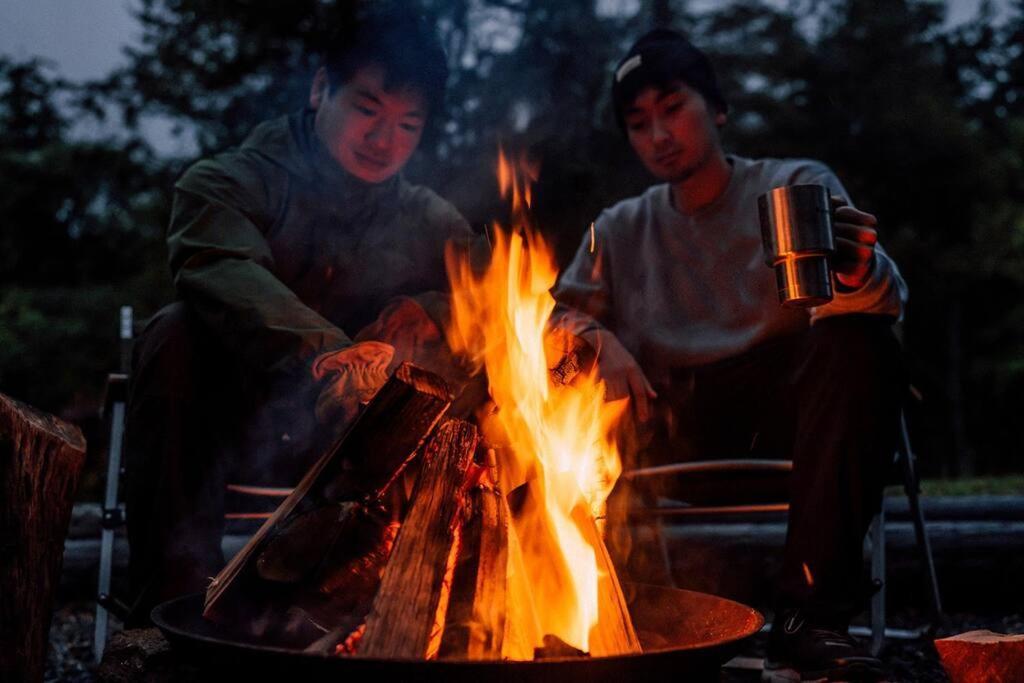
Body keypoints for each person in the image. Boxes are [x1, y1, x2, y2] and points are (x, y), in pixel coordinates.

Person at [553, 29, 907, 682]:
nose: (658, 133)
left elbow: (884, 299)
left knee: (857, 343)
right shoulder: (621, 226)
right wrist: (596, 338)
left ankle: (810, 620)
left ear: (716, 109)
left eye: (673, 107)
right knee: (554, 378)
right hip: (670, 418)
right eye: (639, 122)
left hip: (787, 408)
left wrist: (858, 272)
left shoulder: (794, 185)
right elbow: (548, 317)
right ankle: (579, 609)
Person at [123, 7, 474, 625]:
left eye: (407, 124)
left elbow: (505, 297)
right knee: (172, 334)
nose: (384, 139)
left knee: (472, 355)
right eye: (368, 109)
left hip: (358, 453)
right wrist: (332, 355)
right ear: (320, 88)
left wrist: (435, 310)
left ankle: (441, 607)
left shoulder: (429, 220)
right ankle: (172, 613)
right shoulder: (229, 183)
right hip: (232, 435)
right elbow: (220, 263)